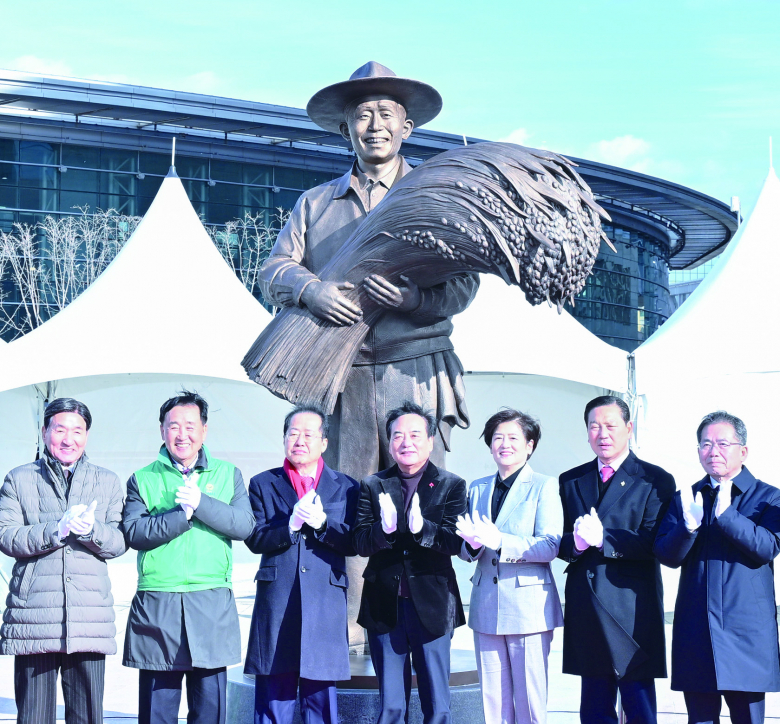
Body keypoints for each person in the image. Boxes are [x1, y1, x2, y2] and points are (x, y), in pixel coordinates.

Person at [258, 61, 479, 481]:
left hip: (414, 366)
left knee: (420, 494)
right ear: (346, 130)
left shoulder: (436, 200)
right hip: (342, 372)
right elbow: (273, 271)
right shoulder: (315, 203)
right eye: (362, 115)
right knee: (350, 499)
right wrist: (310, 290)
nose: (374, 125)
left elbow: (465, 284)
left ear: (406, 127)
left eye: (385, 114)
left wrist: (417, 300)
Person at [122, 390, 255, 724]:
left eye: (190, 426)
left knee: (209, 709)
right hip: (159, 603)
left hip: (210, 601)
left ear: (204, 430)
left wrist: (203, 503)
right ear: (162, 431)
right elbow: (134, 533)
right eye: (173, 426)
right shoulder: (143, 478)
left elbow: (243, 526)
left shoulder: (228, 474)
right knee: (157, 712)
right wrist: (181, 515)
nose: (182, 434)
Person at [0, 397, 126, 724]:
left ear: (87, 436)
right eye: (60, 429)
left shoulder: (107, 481)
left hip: (88, 617)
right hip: (33, 618)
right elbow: (6, 536)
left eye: (78, 431)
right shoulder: (19, 479)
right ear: (44, 432)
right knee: (34, 717)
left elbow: (118, 541)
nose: (68, 439)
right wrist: (55, 530)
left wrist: (90, 531)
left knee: (86, 716)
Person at [654, 411, 780, 724]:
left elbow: (767, 548)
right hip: (698, 629)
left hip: (746, 631)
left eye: (723, 444)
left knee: (748, 718)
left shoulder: (768, 498)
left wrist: (728, 516)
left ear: (743, 451)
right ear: (698, 452)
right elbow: (666, 556)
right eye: (706, 444)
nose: (714, 451)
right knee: (699, 718)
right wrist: (688, 528)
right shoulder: (687, 497)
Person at [558, 395, 675, 724]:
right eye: (594, 426)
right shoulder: (571, 480)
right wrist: (577, 544)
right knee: (594, 707)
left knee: (639, 706)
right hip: (586, 605)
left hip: (631, 609)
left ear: (628, 428)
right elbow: (560, 541)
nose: (602, 433)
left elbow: (654, 541)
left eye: (610, 425)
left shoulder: (654, 479)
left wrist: (605, 539)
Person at [244, 405, 360, 724]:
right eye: (293, 433)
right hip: (278, 602)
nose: (300, 440)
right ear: (284, 439)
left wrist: (323, 526)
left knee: (321, 702)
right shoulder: (262, 484)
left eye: (309, 434)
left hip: (325, 602)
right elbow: (254, 538)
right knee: (272, 702)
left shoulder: (347, 487)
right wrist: (289, 526)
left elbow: (354, 542)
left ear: (324, 442)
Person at [353, 401, 467, 724]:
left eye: (415, 435)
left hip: (432, 607)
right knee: (391, 706)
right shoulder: (373, 485)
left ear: (431, 441)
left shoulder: (451, 485)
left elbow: (456, 543)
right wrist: (384, 530)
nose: (407, 443)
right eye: (398, 436)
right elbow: (360, 541)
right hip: (384, 608)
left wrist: (423, 529)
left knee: (438, 705)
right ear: (389, 443)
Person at [456, 409, 563, 724]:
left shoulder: (544, 486)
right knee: (492, 698)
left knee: (529, 698)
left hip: (528, 607)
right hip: (486, 605)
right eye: (497, 438)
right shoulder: (477, 488)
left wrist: (500, 540)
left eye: (513, 437)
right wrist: (472, 545)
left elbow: (550, 545)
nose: (504, 444)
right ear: (490, 445)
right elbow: (466, 550)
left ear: (530, 445)